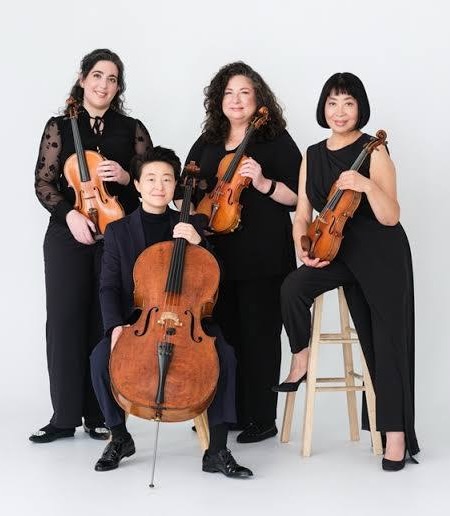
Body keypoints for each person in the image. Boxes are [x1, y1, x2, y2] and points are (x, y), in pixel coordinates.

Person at [273, 72, 419, 471]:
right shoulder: (312, 154)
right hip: (333, 250)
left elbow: (391, 216)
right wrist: (303, 247)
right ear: (323, 107)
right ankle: (301, 356)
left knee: (385, 342)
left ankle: (395, 435)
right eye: (333, 103)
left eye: (349, 103)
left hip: (381, 254)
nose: (340, 111)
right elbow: (302, 214)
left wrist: (366, 185)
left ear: (360, 109)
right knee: (292, 288)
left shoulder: (375, 151)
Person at [90, 146, 252, 478]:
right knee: (98, 358)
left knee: (226, 356)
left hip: (190, 321)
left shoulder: (192, 224)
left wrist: (199, 242)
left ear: (176, 185)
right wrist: (114, 327)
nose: (158, 186)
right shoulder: (118, 231)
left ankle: (217, 450)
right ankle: (119, 437)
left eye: (166, 179)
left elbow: (216, 275)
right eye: (150, 179)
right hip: (140, 321)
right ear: (137, 184)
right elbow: (107, 286)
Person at [30, 49, 153, 444]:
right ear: (83, 79)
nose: (103, 85)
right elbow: (44, 183)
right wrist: (69, 215)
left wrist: (126, 176)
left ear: (118, 87)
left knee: (106, 321)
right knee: (64, 321)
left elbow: (152, 181)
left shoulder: (131, 129)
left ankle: (101, 415)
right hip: (68, 235)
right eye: (97, 75)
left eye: (112, 79)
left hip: (115, 237)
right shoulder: (59, 126)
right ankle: (63, 417)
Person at [176, 62, 302, 443]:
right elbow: (187, 191)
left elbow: (299, 197)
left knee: (260, 337)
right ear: (219, 100)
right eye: (229, 93)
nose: (236, 100)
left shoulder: (275, 140)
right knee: (223, 336)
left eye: (244, 92)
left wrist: (262, 182)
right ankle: (227, 414)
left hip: (264, 256)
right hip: (216, 258)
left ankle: (261, 418)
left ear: (258, 98)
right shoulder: (208, 141)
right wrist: (194, 207)